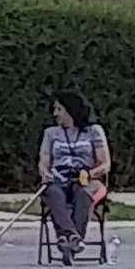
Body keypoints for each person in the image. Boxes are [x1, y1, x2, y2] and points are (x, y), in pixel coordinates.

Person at [38, 90, 110, 259]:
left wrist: (90, 173)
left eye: (59, 109)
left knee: (84, 193)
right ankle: (73, 237)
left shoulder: (94, 131)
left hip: (87, 179)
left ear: (71, 110)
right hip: (59, 178)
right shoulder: (50, 133)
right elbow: (43, 161)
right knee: (53, 192)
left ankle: (67, 239)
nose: (55, 114)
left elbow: (105, 164)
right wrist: (45, 174)